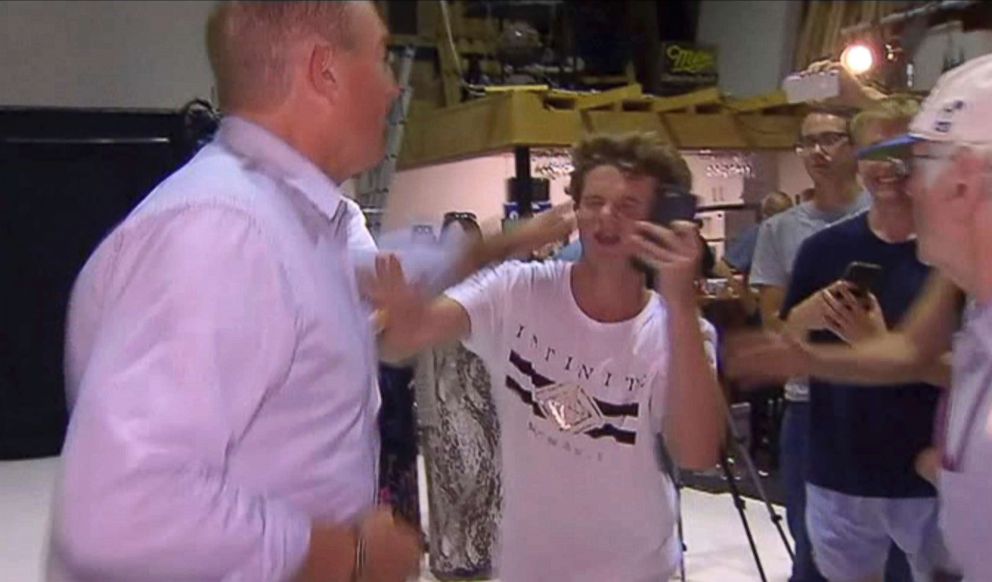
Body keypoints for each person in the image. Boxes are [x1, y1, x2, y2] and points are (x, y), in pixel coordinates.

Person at [49, 3, 420, 581]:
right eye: (379, 57)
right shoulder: (224, 230)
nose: (394, 88)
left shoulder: (299, 225)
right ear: (325, 70)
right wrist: (346, 556)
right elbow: (121, 507)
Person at [372, 132, 725, 582]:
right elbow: (402, 339)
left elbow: (696, 453)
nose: (606, 218)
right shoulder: (517, 291)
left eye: (629, 206)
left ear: (660, 218)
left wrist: (680, 301)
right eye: (594, 201)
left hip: (636, 570)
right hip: (529, 567)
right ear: (574, 208)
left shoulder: (674, 330)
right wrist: (505, 242)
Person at [732, 53, 992, 581]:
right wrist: (799, 351)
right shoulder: (958, 282)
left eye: (919, 168)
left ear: (967, 185)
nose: (905, 185)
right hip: (848, 470)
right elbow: (909, 351)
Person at [778, 96, 948, 582]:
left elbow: (973, 372)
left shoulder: (958, 254)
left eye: (901, 152)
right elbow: (788, 354)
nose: (887, 167)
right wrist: (807, 317)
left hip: (929, 477)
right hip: (840, 470)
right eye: (875, 152)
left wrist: (882, 343)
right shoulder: (823, 249)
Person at [749, 106, 870, 582]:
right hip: (809, 403)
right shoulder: (780, 231)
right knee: (813, 543)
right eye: (808, 141)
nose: (818, 151)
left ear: (854, 144)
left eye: (831, 139)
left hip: (884, 394)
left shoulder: (885, 217)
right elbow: (774, 328)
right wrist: (809, 316)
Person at [414, 212, 502, 580]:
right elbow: (422, 357)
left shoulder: (495, 289)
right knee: (450, 490)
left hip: (488, 406)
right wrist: (426, 410)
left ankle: (486, 556)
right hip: (445, 408)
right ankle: (451, 561)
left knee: (487, 484)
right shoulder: (431, 294)